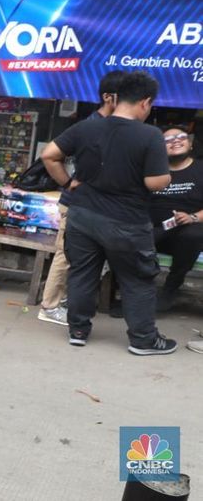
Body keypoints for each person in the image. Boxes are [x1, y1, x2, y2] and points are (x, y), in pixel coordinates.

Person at [42, 71, 176, 355]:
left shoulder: (87, 127)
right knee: (137, 280)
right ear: (145, 102)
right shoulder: (150, 135)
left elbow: (49, 155)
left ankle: (77, 330)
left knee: (82, 274)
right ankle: (143, 339)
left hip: (82, 215)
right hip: (126, 222)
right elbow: (155, 182)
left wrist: (68, 182)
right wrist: (165, 178)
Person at [37, 70, 126, 326]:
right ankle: (50, 306)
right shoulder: (91, 125)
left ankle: (63, 301)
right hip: (77, 204)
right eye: (126, 97)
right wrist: (67, 182)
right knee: (66, 255)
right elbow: (49, 155)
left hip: (98, 207)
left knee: (84, 257)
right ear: (109, 98)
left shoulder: (116, 128)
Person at [150, 126, 203, 311]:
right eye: (168, 139)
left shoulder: (200, 169)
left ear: (190, 143)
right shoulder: (153, 170)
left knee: (193, 234)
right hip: (157, 231)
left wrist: (193, 217)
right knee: (129, 237)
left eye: (181, 136)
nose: (175, 141)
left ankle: (170, 289)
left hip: (188, 233)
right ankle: (137, 293)